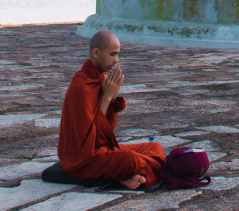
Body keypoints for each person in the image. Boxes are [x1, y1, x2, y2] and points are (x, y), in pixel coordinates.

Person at [57, 29, 165, 189]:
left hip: (101, 150)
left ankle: (126, 175)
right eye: (112, 54)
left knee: (155, 147)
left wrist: (111, 99)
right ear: (95, 53)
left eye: (117, 54)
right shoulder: (81, 86)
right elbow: (93, 141)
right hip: (83, 159)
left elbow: (108, 132)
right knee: (131, 160)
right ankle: (134, 174)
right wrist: (107, 97)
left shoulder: (100, 79)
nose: (116, 60)